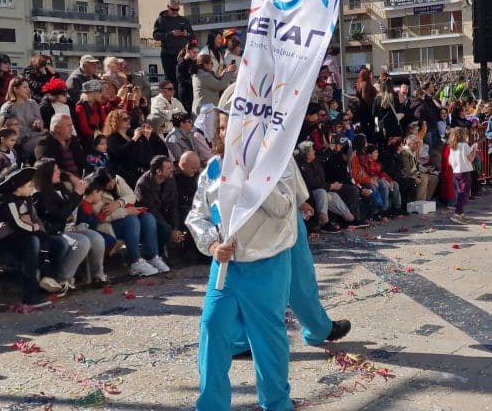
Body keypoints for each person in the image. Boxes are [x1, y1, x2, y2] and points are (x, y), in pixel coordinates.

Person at [185, 110, 302, 411]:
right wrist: (211, 244)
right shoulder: (212, 169)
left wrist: (254, 181)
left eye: (233, 126)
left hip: (267, 264)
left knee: (267, 340)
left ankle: (277, 404)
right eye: (222, 127)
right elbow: (197, 216)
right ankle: (211, 406)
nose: (226, 133)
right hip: (225, 266)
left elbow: (285, 207)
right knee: (212, 327)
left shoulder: (279, 162)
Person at [0, 167, 64, 305]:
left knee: (58, 244)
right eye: (30, 185)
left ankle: (47, 283)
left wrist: (34, 226)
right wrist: (14, 223)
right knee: (32, 242)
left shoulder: (24, 199)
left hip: (19, 241)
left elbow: (36, 222)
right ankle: (30, 296)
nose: (32, 188)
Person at [32, 158, 107, 287]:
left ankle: (98, 276)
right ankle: (61, 280)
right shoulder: (39, 194)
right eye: (54, 170)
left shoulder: (61, 188)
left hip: (69, 227)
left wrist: (78, 193)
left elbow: (71, 208)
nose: (58, 172)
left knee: (97, 238)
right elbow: (58, 215)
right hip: (53, 231)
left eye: (58, 169)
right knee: (82, 242)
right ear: (45, 173)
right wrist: (77, 194)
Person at [86, 168, 169, 277]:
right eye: (107, 184)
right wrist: (125, 211)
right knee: (131, 219)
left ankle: (153, 257)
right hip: (107, 225)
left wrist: (119, 203)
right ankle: (136, 262)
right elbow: (101, 215)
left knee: (148, 217)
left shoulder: (117, 180)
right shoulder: (92, 186)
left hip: (123, 214)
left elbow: (132, 196)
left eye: (112, 181)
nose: (111, 185)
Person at [134, 155, 185, 257]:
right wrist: (170, 230)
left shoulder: (170, 180)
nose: (172, 170)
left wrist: (175, 228)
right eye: (168, 168)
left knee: (184, 216)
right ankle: (155, 253)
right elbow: (152, 210)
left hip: (163, 212)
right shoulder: (143, 185)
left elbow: (173, 205)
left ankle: (181, 250)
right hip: (148, 216)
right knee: (164, 228)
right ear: (158, 172)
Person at [295, 141, 352, 232]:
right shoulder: (302, 166)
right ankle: (324, 221)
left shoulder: (314, 162)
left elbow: (323, 157)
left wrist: (330, 149)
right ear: (307, 153)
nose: (314, 152)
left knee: (333, 196)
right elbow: (312, 184)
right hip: (308, 193)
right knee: (321, 192)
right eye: (312, 150)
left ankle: (349, 218)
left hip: (320, 191)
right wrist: (331, 186)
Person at [34, 114, 91, 181]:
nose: (71, 128)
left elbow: (83, 162)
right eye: (68, 125)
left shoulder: (74, 140)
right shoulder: (43, 146)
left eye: (71, 125)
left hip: (81, 179)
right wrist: (70, 178)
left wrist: (88, 176)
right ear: (57, 128)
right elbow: (49, 169)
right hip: (62, 182)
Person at [0, 78, 44, 158]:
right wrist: (31, 129)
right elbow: (10, 129)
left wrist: (38, 124)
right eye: (25, 87)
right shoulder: (8, 108)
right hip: (21, 140)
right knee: (43, 144)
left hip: (37, 134)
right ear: (16, 89)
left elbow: (39, 119)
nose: (28, 90)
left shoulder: (32, 103)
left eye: (28, 87)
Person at [152, 0, 192, 88]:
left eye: (177, 10)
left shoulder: (184, 20)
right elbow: (155, 35)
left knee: (183, 79)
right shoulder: (161, 20)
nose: (175, 12)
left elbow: (193, 35)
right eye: (173, 9)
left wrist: (186, 34)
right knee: (171, 80)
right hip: (168, 55)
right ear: (168, 7)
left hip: (182, 55)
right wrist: (171, 34)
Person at [446, 127, 475, 225]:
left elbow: (451, 161)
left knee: (459, 192)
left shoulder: (452, 146)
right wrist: (474, 150)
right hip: (464, 171)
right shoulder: (464, 145)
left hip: (456, 171)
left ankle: (461, 213)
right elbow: (470, 159)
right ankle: (457, 213)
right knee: (463, 193)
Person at [75, 79, 106, 145]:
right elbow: (84, 129)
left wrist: (102, 133)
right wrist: (99, 136)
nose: (102, 94)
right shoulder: (80, 107)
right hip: (87, 141)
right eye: (100, 91)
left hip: (99, 138)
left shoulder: (98, 105)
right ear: (92, 93)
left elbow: (104, 121)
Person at [175, 42, 200, 114]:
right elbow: (181, 80)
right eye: (194, 52)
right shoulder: (181, 64)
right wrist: (194, 80)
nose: (195, 55)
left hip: (193, 92)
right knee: (186, 114)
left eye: (197, 53)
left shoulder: (196, 62)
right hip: (185, 94)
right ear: (187, 51)